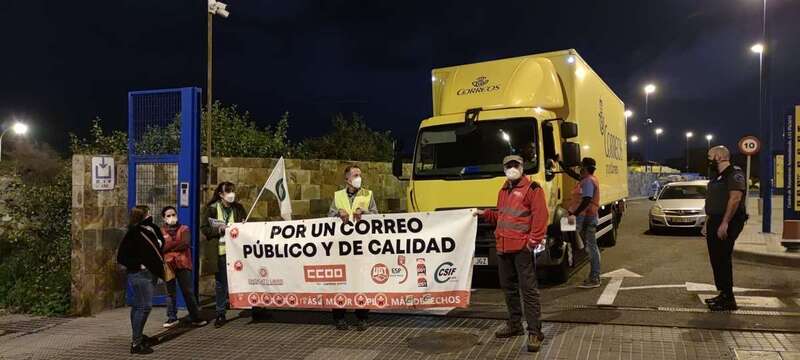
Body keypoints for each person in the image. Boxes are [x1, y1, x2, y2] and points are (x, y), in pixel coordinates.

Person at [476, 155, 547, 352]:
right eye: (508, 165)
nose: (512, 168)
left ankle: (535, 332)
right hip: (503, 247)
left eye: (516, 165)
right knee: (508, 288)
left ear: (522, 167)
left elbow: (540, 216)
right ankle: (515, 324)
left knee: (529, 290)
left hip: (522, 249)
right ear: (504, 168)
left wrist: (532, 242)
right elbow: (502, 215)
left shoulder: (533, 189)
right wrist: (485, 214)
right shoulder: (504, 189)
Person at [327, 165, 377, 331]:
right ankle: (339, 317)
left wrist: (365, 213)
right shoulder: (338, 196)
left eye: (360, 175)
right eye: (355, 175)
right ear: (347, 179)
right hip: (341, 248)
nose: (359, 178)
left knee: (361, 282)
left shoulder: (367, 194)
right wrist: (337, 214)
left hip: (361, 247)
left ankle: (362, 317)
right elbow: (328, 220)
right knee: (340, 282)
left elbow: (378, 218)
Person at [702, 146, 747, 311]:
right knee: (716, 259)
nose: (708, 159)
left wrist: (725, 223)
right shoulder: (717, 176)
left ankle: (729, 299)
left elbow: (735, 199)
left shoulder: (734, 173)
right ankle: (723, 293)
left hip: (728, 221)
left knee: (723, 258)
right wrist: (708, 222)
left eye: (710, 156)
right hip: (715, 220)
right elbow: (713, 200)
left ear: (719, 156)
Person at [117, 205, 166, 355]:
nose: (151, 213)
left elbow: (159, 244)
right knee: (145, 306)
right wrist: (140, 265)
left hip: (151, 273)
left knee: (138, 305)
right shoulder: (134, 233)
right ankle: (136, 343)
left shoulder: (150, 228)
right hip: (139, 274)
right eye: (148, 212)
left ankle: (138, 335)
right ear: (143, 215)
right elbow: (122, 257)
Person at [201, 182, 246, 328]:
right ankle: (220, 313)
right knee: (221, 283)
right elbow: (205, 229)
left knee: (245, 279)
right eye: (228, 192)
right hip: (221, 252)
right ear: (221, 194)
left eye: (233, 191)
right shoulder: (212, 209)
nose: (231, 194)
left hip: (237, 252)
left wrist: (245, 225)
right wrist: (218, 230)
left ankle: (255, 307)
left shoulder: (238, 209)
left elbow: (245, 227)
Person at [161, 206, 207, 328]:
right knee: (170, 292)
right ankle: (172, 317)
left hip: (183, 263)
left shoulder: (184, 228)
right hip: (168, 265)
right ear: (164, 218)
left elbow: (185, 243)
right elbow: (161, 247)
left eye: (173, 214)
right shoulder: (161, 231)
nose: (171, 218)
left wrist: (169, 246)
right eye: (168, 216)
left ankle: (196, 317)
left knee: (188, 291)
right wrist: (173, 245)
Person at [563, 157, 602, 289]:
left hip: (585, 218)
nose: (579, 169)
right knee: (568, 235)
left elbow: (586, 200)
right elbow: (572, 174)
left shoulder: (588, 182)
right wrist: (560, 163)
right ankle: (571, 257)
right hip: (580, 216)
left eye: (581, 167)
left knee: (590, 247)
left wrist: (574, 213)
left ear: (584, 168)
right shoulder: (586, 179)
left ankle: (595, 277)